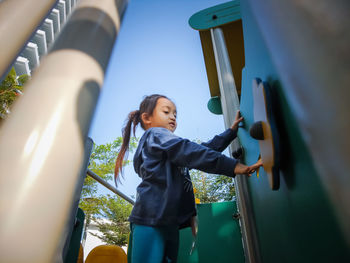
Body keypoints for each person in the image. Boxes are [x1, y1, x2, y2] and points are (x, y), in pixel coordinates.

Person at [114, 94, 262, 263]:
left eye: (175, 114)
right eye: (166, 112)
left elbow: (201, 150)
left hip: (167, 221)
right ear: (147, 118)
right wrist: (234, 166)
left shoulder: (170, 152)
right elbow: (191, 151)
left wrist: (230, 133)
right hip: (150, 219)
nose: (173, 117)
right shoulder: (156, 134)